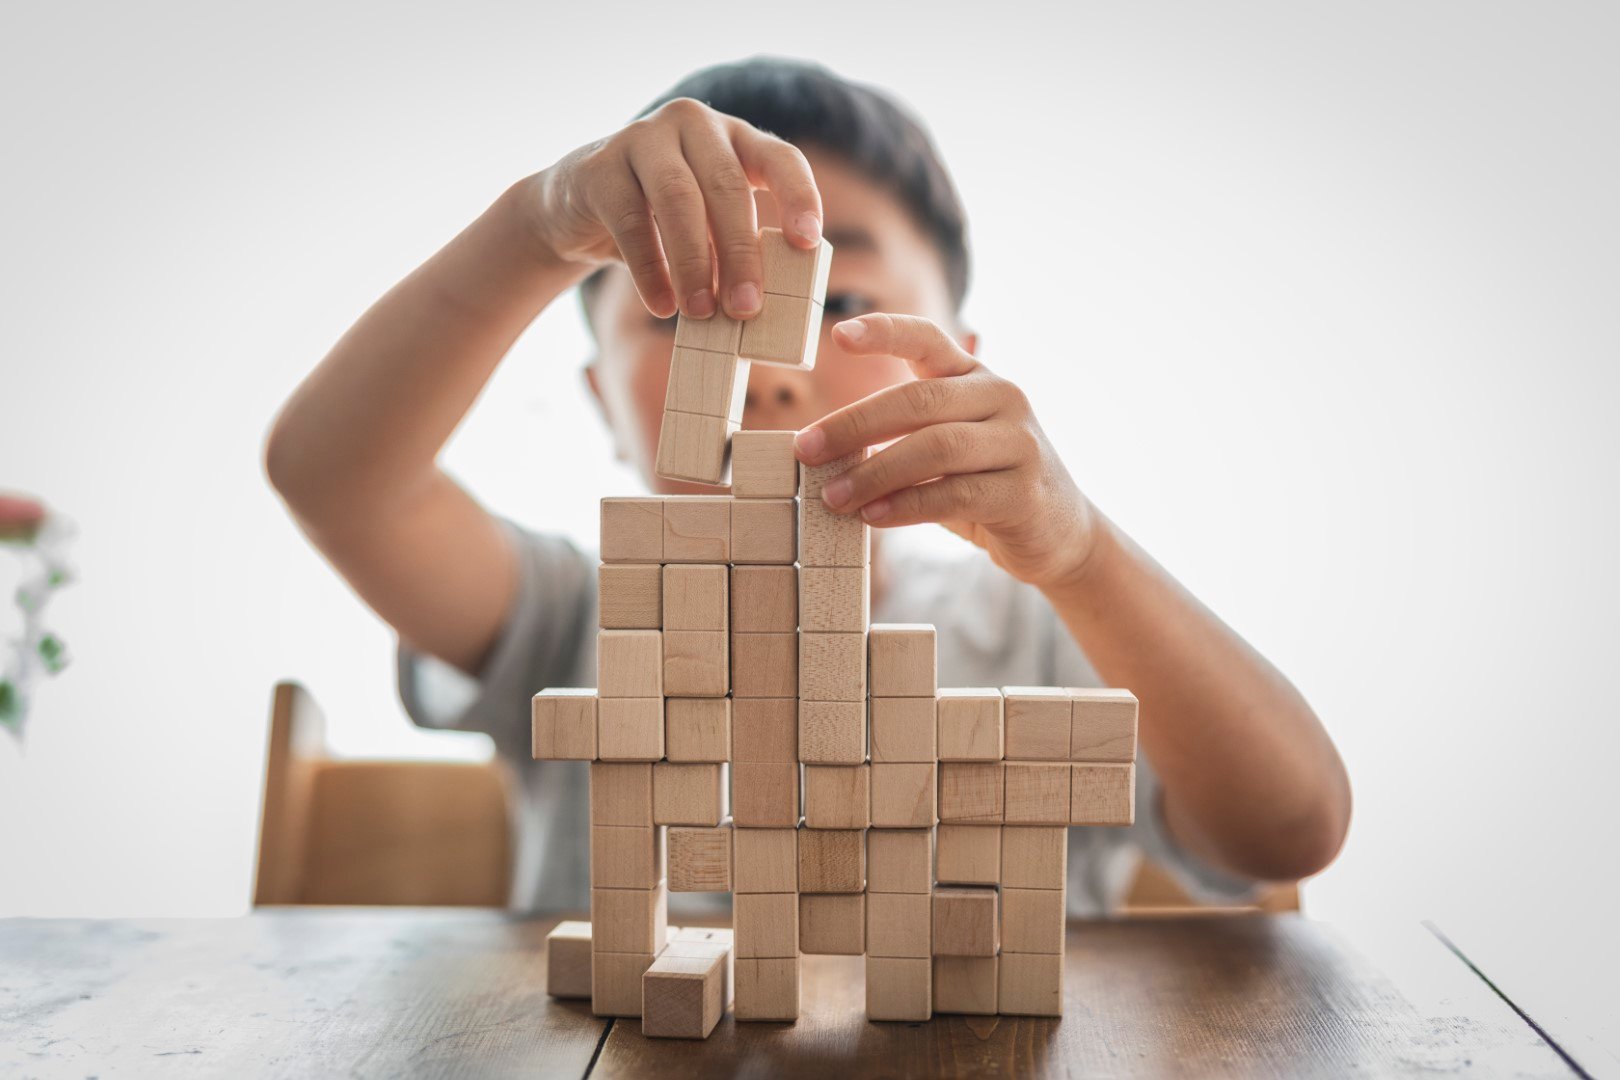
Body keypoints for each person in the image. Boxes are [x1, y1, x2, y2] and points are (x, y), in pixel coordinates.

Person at [266, 57, 1351, 915]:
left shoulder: (1047, 634)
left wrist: (1080, 556)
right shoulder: (574, 617)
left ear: (960, 360)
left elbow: (1290, 832)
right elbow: (336, 480)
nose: (768, 372)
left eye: (837, 305)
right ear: (602, 400)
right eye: (686, 314)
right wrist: (535, 227)